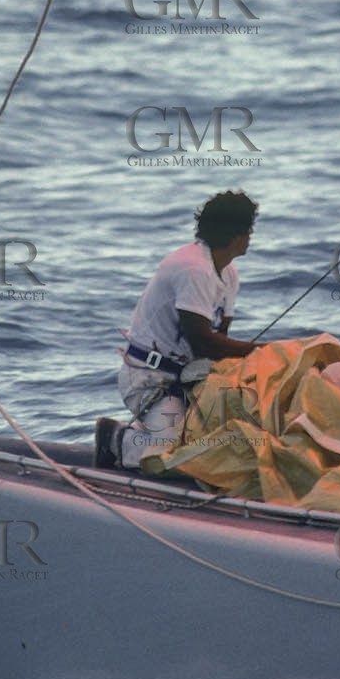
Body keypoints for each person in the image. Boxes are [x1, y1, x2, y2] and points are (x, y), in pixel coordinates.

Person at [96, 191, 259, 470]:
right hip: (148, 378)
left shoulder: (229, 273)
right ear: (236, 236)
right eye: (249, 230)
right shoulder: (193, 268)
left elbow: (220, 339)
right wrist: (263, 351)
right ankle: (114, 438)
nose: (251, 236)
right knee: (176, 459)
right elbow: (204, 343)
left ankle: (148, 430)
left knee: (226, 437)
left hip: (186, 377)